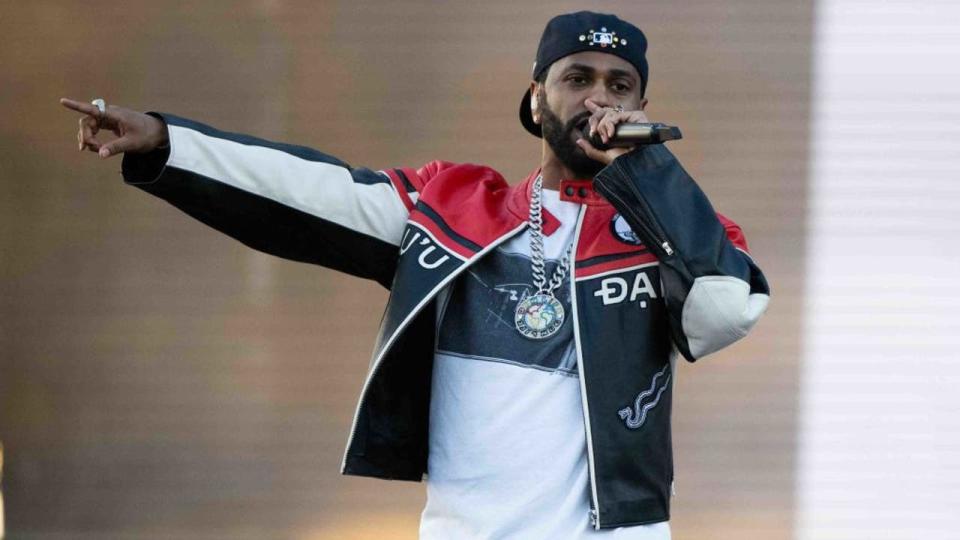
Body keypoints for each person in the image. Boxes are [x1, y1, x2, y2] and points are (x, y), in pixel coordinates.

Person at [60, 11, 769, 539]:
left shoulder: (674, 228)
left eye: (621, 86)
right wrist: (169, 142)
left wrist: (646, 172)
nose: (599, 99)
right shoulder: (454, 205)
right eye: (576, 78)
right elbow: (309, 190)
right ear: (535, 99)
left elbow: (725, 309)